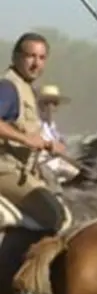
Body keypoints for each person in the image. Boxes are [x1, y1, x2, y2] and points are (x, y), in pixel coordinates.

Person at [0, 32, 70, 232]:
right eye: (30, 56)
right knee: (53, 216)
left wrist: (49, 145)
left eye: (41, 58)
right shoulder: (9, 87)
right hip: (5, 170)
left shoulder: (25, 88)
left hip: (22, 170)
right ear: (16, 57)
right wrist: (25, 139)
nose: (36, 63)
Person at [36, 85, 76, 182]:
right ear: (41, 105)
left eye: (55, 104)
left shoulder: (52, 127)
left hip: (53, 162)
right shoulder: (36, 123)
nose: (51, 107)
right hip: (40, 165)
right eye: (47, 103)